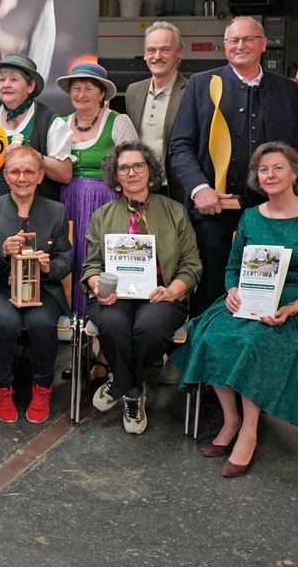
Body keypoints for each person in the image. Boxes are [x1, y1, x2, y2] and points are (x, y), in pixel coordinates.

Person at [175, 142, 298, 477]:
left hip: (294, 306)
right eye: (264, 169)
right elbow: (232, 267)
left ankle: (249, 432)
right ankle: (231, 418)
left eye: (278, 168)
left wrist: (292, 308)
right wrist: (233, 290)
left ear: (295, 173)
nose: (270, 175)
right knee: (212, 334)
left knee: (254, 343)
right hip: (249, 295)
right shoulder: (250, 217)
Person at [169, 16, 298, 319]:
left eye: (248, 39)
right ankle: (205, 361)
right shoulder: (201, 84)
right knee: (210, 293)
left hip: (270, 213)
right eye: (233, 40)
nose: (240, 46)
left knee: (265, 294)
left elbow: (296, 148)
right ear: (225, 45)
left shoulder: (287, 90)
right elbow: (180, 146)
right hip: (212, 212)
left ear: (264, 44)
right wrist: (199, 189)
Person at [81, 142, 199, 434]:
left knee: (149, 328)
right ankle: (133, 391)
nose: (131, 172)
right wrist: (98, 287)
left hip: (161, 294)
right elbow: (91, 266)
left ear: (150, 171)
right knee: (114, 324)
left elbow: (192, 265)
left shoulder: (175, 212)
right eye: (123, 167)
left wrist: (172, 290)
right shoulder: (102, 215)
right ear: (116, 175)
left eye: (138, 166)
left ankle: (120, 382)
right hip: (113, 295)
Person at [0, 145, 73, 424]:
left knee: (42, 323)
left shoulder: (55, 211)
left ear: (41, 176)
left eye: (29, 171)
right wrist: (2, 251)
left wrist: (48, 267)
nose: (22, 178)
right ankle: (1, 389)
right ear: (5, 176)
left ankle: (42, 388)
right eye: (15, 171)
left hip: (42, 288)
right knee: (5, 322)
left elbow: (66, 259)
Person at [56, 60, 138, 293]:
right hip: (67, 199)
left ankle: (97, 314)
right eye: (76, 88)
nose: (81, 94)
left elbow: (134, 165)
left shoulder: (117, 121)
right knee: (70, 251)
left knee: (98, 253)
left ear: (102, 93)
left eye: (88, 88)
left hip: (107, 200)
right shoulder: (60, 125)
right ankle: (70, 316)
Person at [0, 53, 73, 220]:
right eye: (1, 80)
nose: (6, 85)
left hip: (32, 210)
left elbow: (65, 174)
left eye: (13, 80)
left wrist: (33, 154)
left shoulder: (48, 121)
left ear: (30, 86)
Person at [124, 21, 188, 201]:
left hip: (175, 191)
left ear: (179, 53)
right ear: (145, 55)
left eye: (165, 50)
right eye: (151, 50)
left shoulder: (192, 92)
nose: (157, 56)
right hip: (139, 189)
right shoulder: (133, 92)